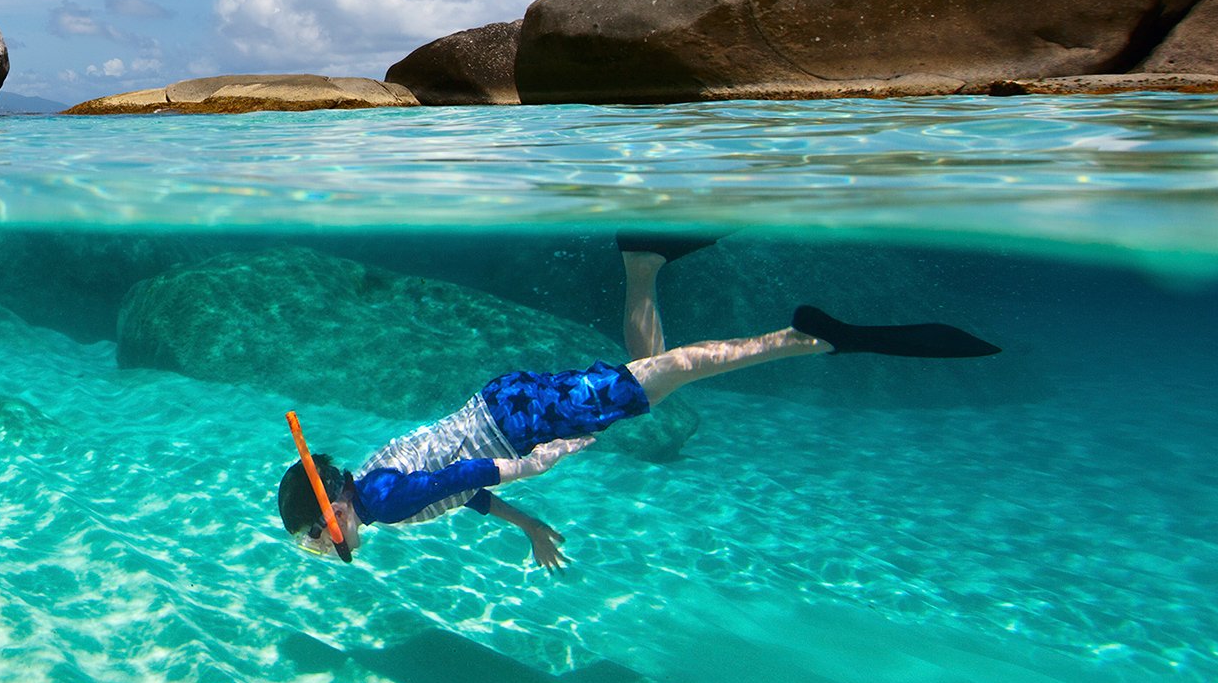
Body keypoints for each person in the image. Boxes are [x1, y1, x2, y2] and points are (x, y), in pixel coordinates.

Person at [277, 234, 999, 567]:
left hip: (522, 424)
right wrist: (528, 522)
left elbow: (461, 477)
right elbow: (451, 492)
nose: (321, 546)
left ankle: (808, 338)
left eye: (314, 536)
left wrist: (534, 466)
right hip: (506, 407)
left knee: (664, 376)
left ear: (329, 509)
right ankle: (644, 263)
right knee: (647, 378)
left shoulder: (383, 502)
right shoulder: (374, 487)